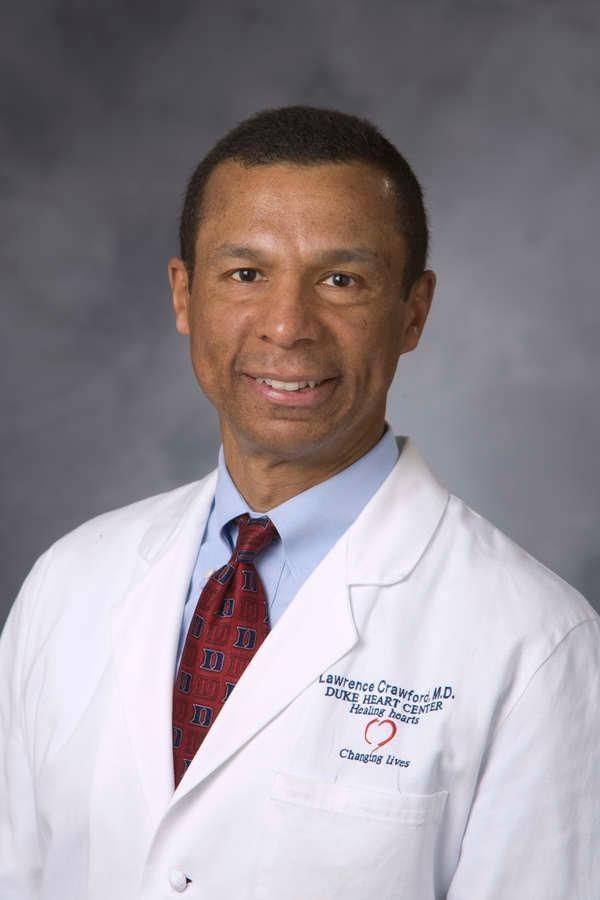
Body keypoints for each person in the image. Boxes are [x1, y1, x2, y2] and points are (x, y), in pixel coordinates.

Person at [1, 105, 598, 900]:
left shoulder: (537, 646)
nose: (287, 327)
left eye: (341, 280)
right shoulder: (68, 583)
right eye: (246, 274)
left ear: (413, 312)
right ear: (184, 296)